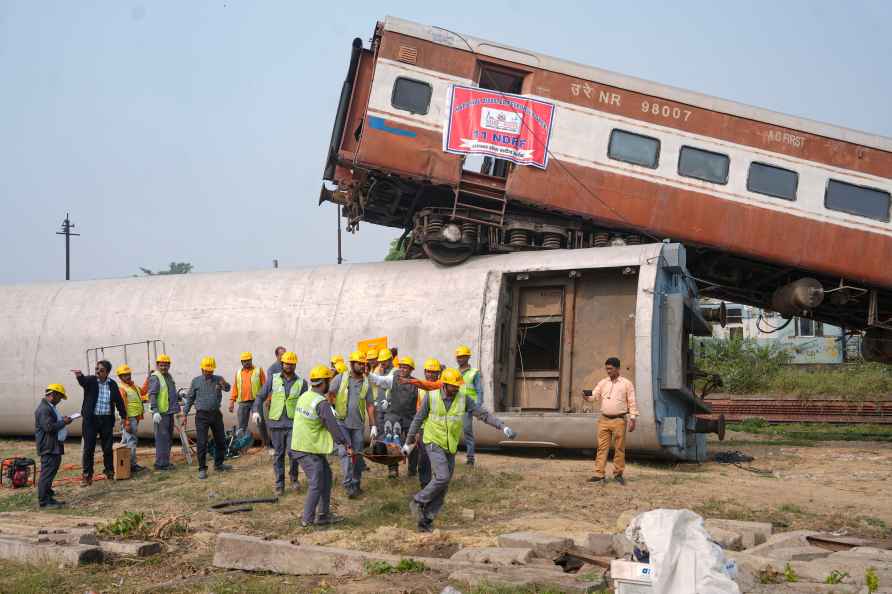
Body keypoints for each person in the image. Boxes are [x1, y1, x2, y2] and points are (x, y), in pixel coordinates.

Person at [404, 368, 516, 532]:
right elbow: (418, 419)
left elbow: (483, 414)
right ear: (445, 385)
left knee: (444, 485)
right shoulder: (432, 397)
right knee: (442, 477)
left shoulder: (463, 399)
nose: (457, 389)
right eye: (454, 386)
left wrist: (502, 426)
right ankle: (418, 500)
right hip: (433, 442)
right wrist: (409, 441)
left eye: (458, 386)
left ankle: (426, 520)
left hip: (450, 445)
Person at [290, 364, 352, 527]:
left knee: (326, 476)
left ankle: (323, 515)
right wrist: (346, 443)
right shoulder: (321, 403)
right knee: (317, 481)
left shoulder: (305, 396)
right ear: (324, 382)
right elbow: (333, 426)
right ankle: (307, 520)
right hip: (306, 449)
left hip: (308, 447)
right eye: (328, 381)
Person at [252, 351, 306, 495]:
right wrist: (256, 410)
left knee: (293, 453)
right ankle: (279, 484)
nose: (288, 365)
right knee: (278, 454)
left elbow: (307, 403)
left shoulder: (301, 383)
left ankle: (294, 479)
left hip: (293, 424)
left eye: (291, 363)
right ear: (282, 364)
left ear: (295, 365)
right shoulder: (273, 379)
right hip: (276, 424)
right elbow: (260, 396)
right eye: (286, 363)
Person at [583, 356, 638, 486]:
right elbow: (594, 397)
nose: (608, 371)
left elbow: (632, 402)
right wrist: (586, 397)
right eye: (607, 369)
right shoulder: (603, 383)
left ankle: (618, 474)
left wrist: (633, 418)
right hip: (604, 419)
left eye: (611, 369)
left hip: (619, 420)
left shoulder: (626, 383)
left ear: (618, 369)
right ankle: (599, 474)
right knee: (602, 448)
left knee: (619, 448)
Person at [327, 350, 375, 498]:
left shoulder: (366, 382)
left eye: (363, 364)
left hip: (358, 425)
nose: (362, 366)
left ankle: (356, 483)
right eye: (359, 363)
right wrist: (331, 409)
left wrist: (373, 425)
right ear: (352, 364)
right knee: (345, 454)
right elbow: (329, 393)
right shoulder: (340, 379)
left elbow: (370, 405)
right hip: (342, 423)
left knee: (358, 455)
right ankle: (348, 486)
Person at [71, 360, 127, 486]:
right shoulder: (91, 380)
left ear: (107, 372)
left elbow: (119, 401)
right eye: (96, 369)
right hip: (91, 420)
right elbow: (83, 382)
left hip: (106, 420)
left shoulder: (112, 384)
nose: (97, 372)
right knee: (89, 448)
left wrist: (123, 416)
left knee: (107, 448)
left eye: (101, 370)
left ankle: (109, 471)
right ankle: (87, 476)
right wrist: (79, 375)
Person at [183, 357, 232, 480]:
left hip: (216, 414)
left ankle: (219, 464)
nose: (209, 373)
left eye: (211, 371)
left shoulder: (218, 379)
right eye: (207, 371)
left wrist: (224, 384)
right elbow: (190, 398)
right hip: (202, 416)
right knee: (202, 442)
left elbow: (228, 388)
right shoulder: (196, 381)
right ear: (202, 369)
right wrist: (184, 414)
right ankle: (202, 469)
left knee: (221, 440)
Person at [369, 355, 417, 479]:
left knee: (412, 444)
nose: (402, 369)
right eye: (401, 367)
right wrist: (367, 374)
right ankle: (393, 469)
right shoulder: (393, 379)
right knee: (391, 442)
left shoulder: (415, 383)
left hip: (409, 417)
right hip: (394, 415)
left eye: (405, 367)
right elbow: (379, 380)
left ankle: (412, 470)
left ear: (411, 369)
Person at [35, 384, 74, 509]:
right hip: (48, 447)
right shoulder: (44, 409)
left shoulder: (50, 407)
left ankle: (48, 498)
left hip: (54, 445)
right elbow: (48, 427)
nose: (60, 400)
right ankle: (43, 502)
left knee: (50, 473)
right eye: (60, 397)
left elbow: (51, 423)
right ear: (53, 394)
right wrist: (64, 422)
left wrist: (61, 420)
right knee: (46, 474)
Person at [148, 353, 180, 471]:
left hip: (169, 412)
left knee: (167, 439)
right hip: (160, 414)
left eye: (166, 365)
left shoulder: (168, 376)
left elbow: (169, 392)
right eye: (161, 365)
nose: (164, 367)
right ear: (157, 365)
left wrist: (179, 398)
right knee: (162, 439)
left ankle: (165, 462)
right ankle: (161, 464)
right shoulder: (155, 377)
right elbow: (152, 395)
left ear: (169, 366)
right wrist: (155, 411)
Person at [455, 345, 484, 466]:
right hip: (456, 405)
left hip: (468, 406)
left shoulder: (474, 373)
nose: (460, 359)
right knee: (453, 430)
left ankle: (470, 458)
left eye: (462, 357)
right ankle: (451, 454)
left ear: (468, 357)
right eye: (458, 357)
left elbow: (479, 391)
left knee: (467, 431)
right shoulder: (455, 372)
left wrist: (477, 407)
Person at [116, 364, 146, 472]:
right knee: (131, 441)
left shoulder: (133, 386)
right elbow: (122, 406)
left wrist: (148, 379)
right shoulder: (122, 389)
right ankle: (132, 465)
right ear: (120, 377)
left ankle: (123, 464)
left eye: (128, 374)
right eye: (124, 375)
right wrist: (127, 422)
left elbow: (143, 392)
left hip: (134, 417)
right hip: (130, 418)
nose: (127, 376)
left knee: (125, 441)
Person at [229, 352, 266, 438]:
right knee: (242, 426)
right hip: (243, 403)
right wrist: (232, 401)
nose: (247, 362)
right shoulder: (238, 373)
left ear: (251, 360)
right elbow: (235, 387)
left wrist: (268, 398)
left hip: (256, 402)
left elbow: (265, 386)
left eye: (248, 360)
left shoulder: (258, 370)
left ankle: (266, 444)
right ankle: (241, 447)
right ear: (241, 362)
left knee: (259, 423)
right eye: (244, 361)